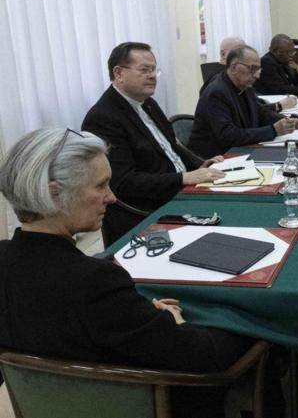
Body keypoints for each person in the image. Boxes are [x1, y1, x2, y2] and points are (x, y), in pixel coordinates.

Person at [0, 128, 282, 418]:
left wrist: (142, 315)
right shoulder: (95, 281)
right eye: (100, 186)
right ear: (54, 194)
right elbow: (204, 357)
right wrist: (242, 323)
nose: (112, 197)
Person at [82, 42, 226, 245]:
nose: (152, 76)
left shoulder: (147, 103)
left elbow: (171, 147)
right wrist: (183, 178)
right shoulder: (103, 118)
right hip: (151, 209)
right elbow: (123, 183)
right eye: (144, 70)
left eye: (154, 70)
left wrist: (201, 164)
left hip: (183, 191)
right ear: (119, 73)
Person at [189, 45, 298, 159]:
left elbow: (261, 113)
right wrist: (274, 130)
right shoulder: (217, 92)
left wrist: (288, 121)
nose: (257, 76)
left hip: (239, 151)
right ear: (234, 67)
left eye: (258, 69)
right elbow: (229, 136)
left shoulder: (244, 86)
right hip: (215, 158)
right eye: (253, 68)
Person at [200, 37, 298, 110]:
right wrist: (278, 106)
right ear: (223, 54)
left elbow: (253, 105)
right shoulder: (219, 80)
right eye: (238, 52)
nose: (244, 55)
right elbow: (246, 111)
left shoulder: (241, 76)